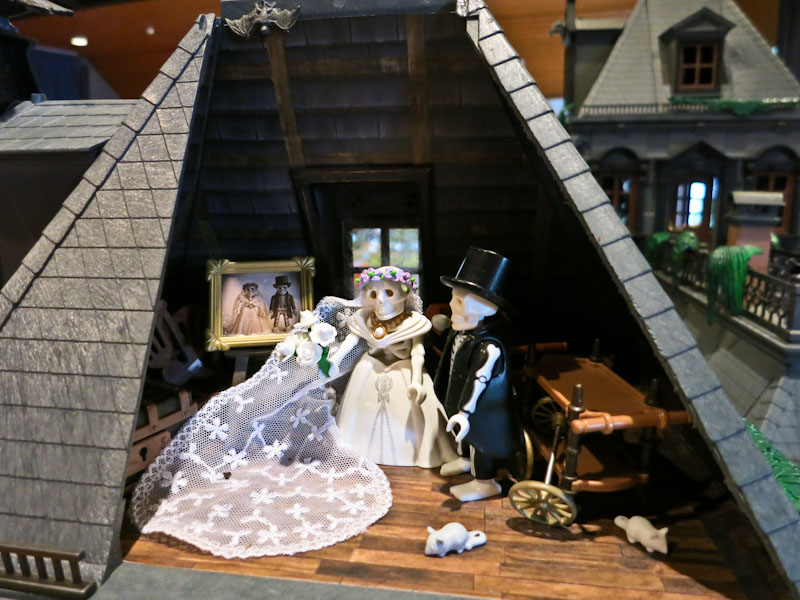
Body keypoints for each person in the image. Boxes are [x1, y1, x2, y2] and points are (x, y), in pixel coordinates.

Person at [330, 266, 457, 468]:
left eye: (388, 293)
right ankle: (360, 447)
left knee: (416, 414)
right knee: (356, 414)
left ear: (404, 295)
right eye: (373, 294)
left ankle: (419, 451)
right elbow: (351, 341)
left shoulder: (413, 322)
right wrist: (335, 359)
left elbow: (417, 352)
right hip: (370, 369)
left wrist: (416, 381)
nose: (380, 300)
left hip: (404, 371)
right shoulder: (365, 319)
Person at [434, 248, 521, 501]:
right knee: (464, 437)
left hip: (482, 410)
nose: (452, 306)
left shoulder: (489, 347)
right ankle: (465, 460)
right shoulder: (462, 334)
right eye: (453, 298)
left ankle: (485, 481)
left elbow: (479, 380)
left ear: (483, 308)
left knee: (478, 438)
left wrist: (465, 412)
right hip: (459, 398)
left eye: (460, 302)